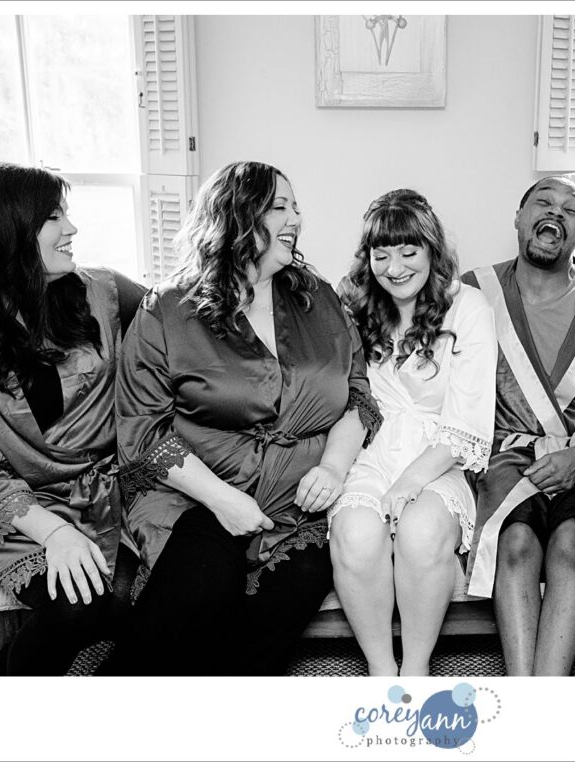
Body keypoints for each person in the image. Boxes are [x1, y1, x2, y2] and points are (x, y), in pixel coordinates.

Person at [104, 161, 382, 676]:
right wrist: (224, 500)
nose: (296, 218)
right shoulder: (167, 309)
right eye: (279, 207)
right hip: (195, 492)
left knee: (282, 607)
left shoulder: (319, 298)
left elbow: (358, 397)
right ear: (235, 218)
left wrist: (334, 469)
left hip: (299, 507)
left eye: (296, 206)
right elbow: (142, 431)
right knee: (204, 584)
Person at [0, 162, 145, 675]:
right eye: (53, 217)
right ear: (8, 234)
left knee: (130, 597)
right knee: (81, 601)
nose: (71, 228)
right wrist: (54, 533)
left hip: (116, 492)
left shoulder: (103, 291)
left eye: (66, 213)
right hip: (20, 511)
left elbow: (180, 319)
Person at [461, 176, 575, 676]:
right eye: (543, 202)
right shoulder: (473, 292)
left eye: (571, 210)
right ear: (518, 217)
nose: (556, 213)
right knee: (514, 543)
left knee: (573, 544)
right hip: (505, 454)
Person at [331, 190, 496, 676]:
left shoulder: (468, 307)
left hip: (438, 455)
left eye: (409, 251)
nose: (395, 267)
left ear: (431, 250)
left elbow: (467, 421)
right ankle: (383, 670)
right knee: (357, 534)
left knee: (422, 532)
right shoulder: (356, 306)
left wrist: (408, 483)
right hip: (369, 450)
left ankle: (416, 668)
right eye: (381, 254)